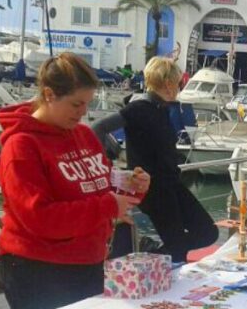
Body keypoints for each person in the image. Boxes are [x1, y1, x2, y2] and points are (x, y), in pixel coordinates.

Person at [0, 53, 150, 309]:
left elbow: (103, 187)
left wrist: (132, 188)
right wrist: (109, 205)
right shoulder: (21, 146)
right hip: (38, 270)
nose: (83, 113)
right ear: (49, 94)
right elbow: (40, 217)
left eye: (87, 104)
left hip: (88, 263)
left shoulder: (84, 135)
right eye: (76, 104)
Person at [92, 57, 217, 264]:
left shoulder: (161, 109)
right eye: (178, 82)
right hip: (153, 188)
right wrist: (106, 165)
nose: (179, 87)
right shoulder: (138, 108)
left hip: (172, 183)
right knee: (177, 250)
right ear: (168, 83)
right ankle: (161, 265)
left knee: (207, 232)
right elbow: (98, 127)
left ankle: (151, 253)